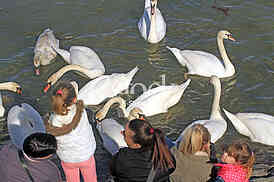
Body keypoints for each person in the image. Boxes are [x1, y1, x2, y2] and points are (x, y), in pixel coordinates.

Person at [45, 81, 97, 182]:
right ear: (74, 99)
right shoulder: (81, 112)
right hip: (85, 155)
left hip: (67, 158)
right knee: (91, 179)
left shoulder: (53, 120)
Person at [109, 118, 176, 182]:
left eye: (124, 133)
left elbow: (113, 171)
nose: (121, 133)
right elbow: (171, 168)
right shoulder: (165, 155)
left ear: (137, 144)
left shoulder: (122, 158)